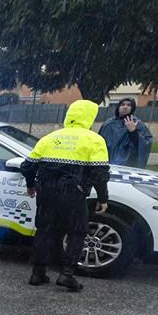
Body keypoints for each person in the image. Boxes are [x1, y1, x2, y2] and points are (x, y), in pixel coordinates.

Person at [20, 99, 110, 292]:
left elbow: (27, 166)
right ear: (90, 118)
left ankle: (38, 273)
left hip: (46, 191)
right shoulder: (94, 139)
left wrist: (31, 185)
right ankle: (67, 274)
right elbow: (100, 174)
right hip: (73, 194)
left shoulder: (50, 137)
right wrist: (103, 198)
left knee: (44, 230)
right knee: (77, 232)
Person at [99, 97, 153, 167]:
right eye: (123, 104)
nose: (125, 107)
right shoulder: (108, 124)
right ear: (118, 107)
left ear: (132, 108)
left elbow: (145, 144)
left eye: (128, 105)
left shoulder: (137, 124)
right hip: (106, 162)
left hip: (127, 164)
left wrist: (133, 132)